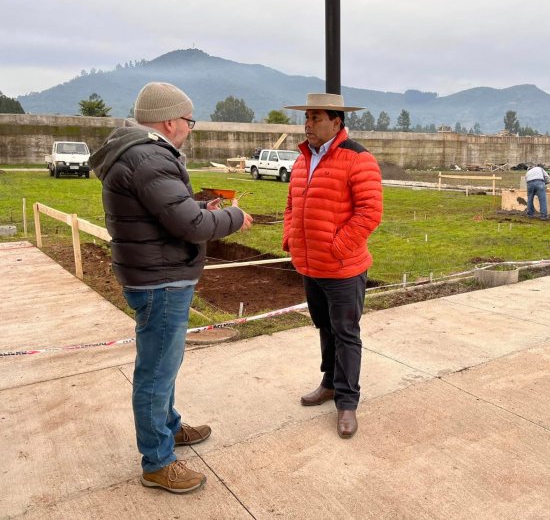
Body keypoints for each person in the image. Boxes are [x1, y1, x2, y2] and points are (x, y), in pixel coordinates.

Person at [90, 82, 253, 494]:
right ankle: (158, 461)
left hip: (158, 274)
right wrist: (233, 218)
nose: (190, 127)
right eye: (189, 120)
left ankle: (168, 426)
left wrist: (199, 206)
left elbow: (170, 212)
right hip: (161, 280)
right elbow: (188, 226)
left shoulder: (140, 153)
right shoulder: (149, 156)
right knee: (156, 372)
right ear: (169, 121)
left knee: (165, 364)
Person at [282, 93, 383, 439]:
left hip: (342, 268)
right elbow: (291, 205)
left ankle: (347, 402)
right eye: (306, 117)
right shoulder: (302, 159)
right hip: (310, 267)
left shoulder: (358, 158)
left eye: (315, 117)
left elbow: (370, 212)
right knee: (324, 327)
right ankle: (329, 383)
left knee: (346, 332)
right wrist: (291, 239)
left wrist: (337, 246)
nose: (307, 124)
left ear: (336, 122)